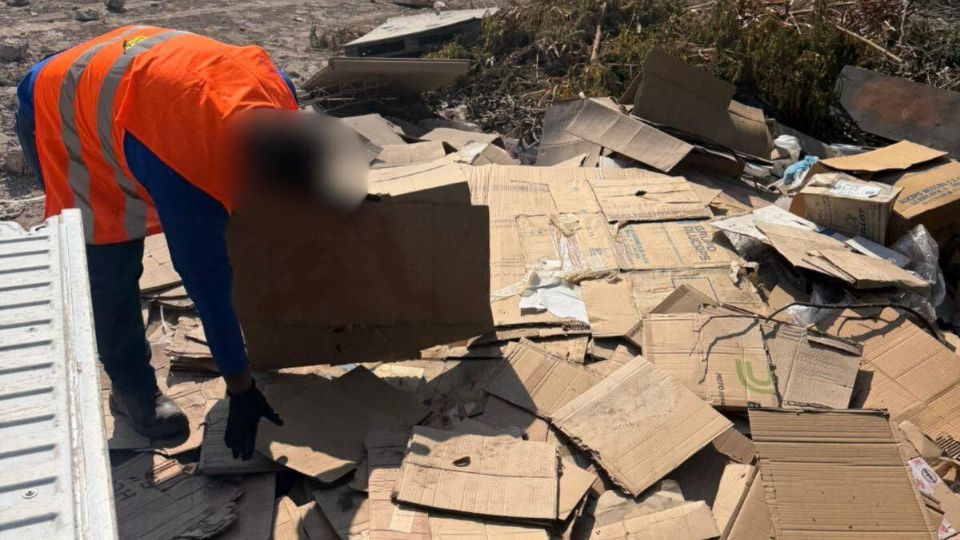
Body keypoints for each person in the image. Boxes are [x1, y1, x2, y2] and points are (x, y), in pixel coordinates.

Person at [15, 25, 365, 460]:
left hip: (131, 74)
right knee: (110, 262)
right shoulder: (188, 174)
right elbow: (208, 289)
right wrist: (240, 388)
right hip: (60, 106)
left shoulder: (277, 91)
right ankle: (131, 389)